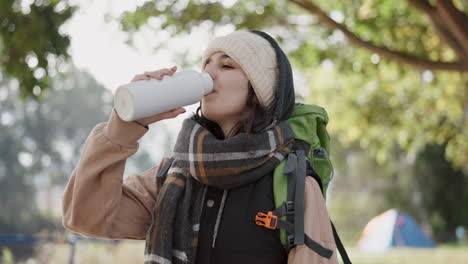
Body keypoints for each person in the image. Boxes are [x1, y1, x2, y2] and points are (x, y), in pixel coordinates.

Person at [62, 29, 338, 264]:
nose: (208, 72)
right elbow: (85, 217)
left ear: (259, 92)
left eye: (227, 65)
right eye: (206, 63)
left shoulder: (291, 182)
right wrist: (121, 127)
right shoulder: (172, 176)